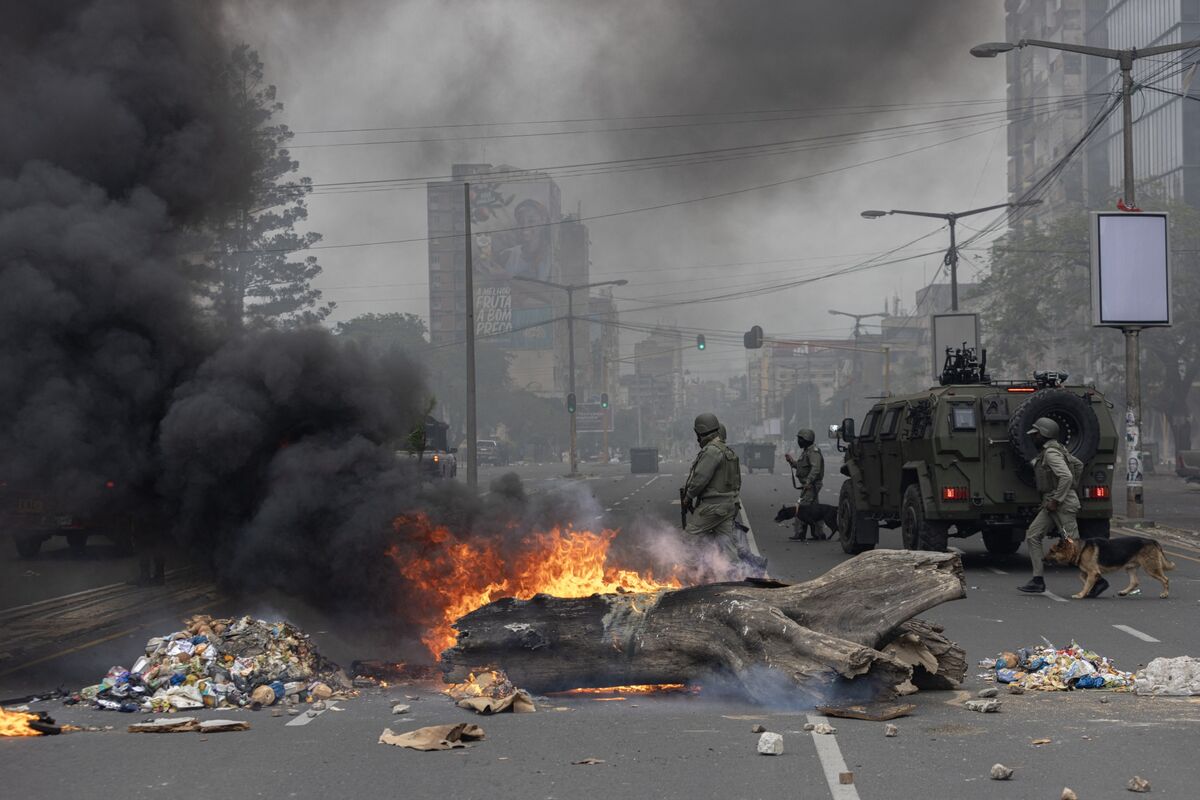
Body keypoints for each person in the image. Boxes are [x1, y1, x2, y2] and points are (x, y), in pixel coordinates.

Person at [1018, 417, 1086, 595]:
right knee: (1033, 535)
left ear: (1045, 434)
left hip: (1060, 503)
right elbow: (1078, 465)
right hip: (1052, 502)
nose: (1034, 437)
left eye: (1037, 434)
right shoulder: (1057, 449)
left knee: (1073, 545)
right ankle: (1037, 580)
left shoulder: (1051, 453)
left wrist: (1059, 498)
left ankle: (1096, 580)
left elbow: (1067, 476)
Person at [682, 413, 742, 566]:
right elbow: (737, 482)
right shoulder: (727, 451)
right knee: (729, 548)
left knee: (688, 538)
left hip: (712, 507)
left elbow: (700, 478)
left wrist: (689, 496)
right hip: (728, 505)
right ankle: (737, 576)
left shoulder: (712, 451)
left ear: (701, 431)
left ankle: (689, 574)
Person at [784, 428, 824, 541]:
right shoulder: (807, 451)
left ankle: (800, 533)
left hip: (811, 485)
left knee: (801, 509)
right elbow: (802, 467)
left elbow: (815, 469)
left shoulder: (813, 452)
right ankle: (818, 533)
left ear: (806, 439)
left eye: (800, 439)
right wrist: (792, 462)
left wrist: (808, 481)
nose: (798, 442)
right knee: (815, 510)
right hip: (810, 484)